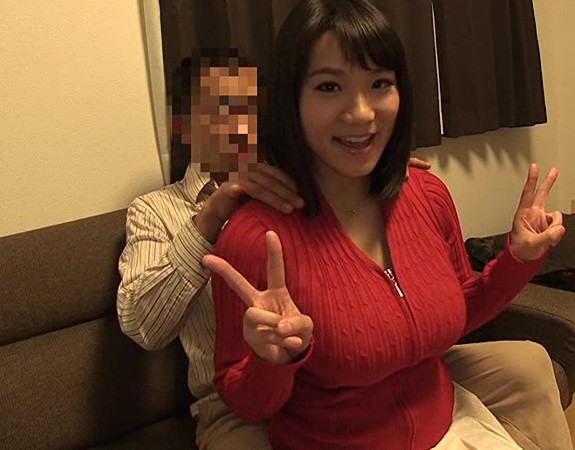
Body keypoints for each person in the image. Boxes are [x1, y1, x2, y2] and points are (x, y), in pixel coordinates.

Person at [203, 1, 572, 449]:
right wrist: (273, 360)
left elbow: (456, 313)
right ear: (290, 99)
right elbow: (242, 400)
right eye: (329, 86)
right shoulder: (254, 237)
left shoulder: (427, 195)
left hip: (451, 425)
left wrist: (518, 259)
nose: (361, 113)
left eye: (380, 83)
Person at [116, 48, 431, 449]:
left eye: (253, 110)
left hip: (331, 387)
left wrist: (376, 174)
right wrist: (211, 218)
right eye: (223, 110)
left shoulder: (306, 181)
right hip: (236, 408)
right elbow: (143, 325)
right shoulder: (155, 210)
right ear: (184, 126)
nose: (242, 126)